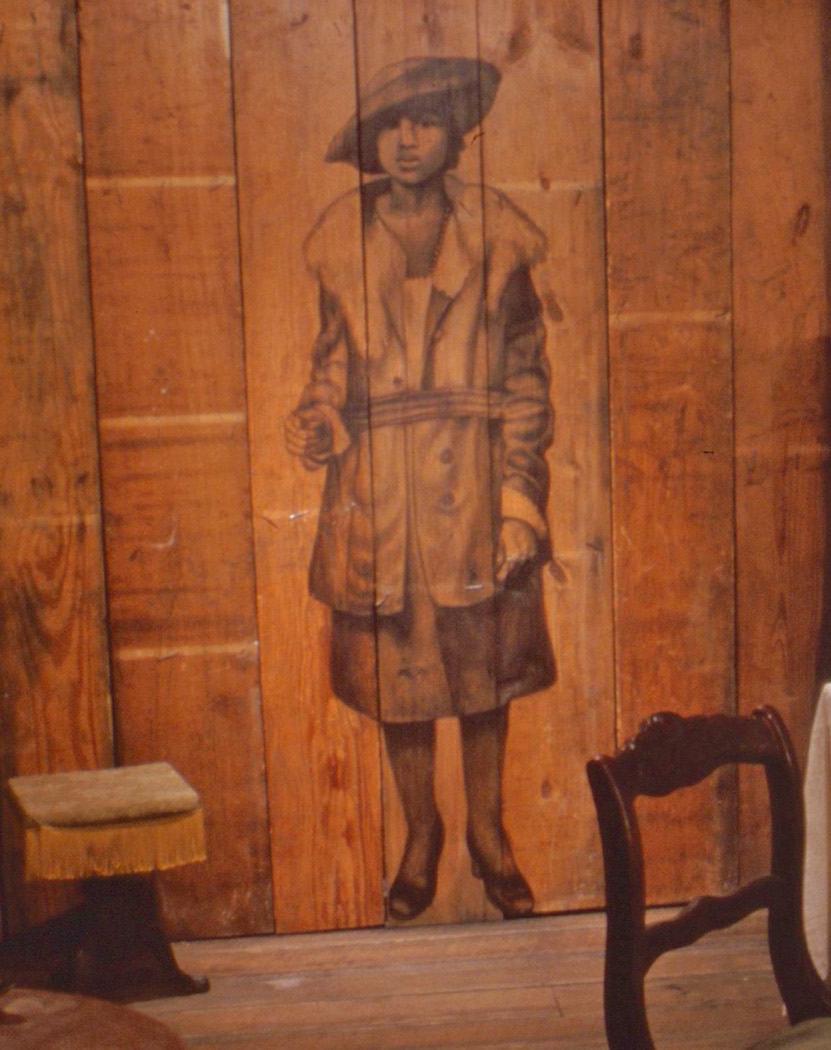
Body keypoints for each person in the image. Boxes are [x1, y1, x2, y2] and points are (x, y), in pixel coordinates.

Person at [285, 56, 553, 921]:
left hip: (473, 491)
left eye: (426, 123)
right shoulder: (342, 239)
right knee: (398, 681)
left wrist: (519, 498)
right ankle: (420, 835)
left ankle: (489, 836)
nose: (407, 142)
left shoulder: (499, 238)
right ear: (371, 140)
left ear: (455, 134)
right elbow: (331, 366)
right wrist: (320, 419)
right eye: (391, 126)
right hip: (379, 497)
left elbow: (525, 381)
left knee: (482, 680)